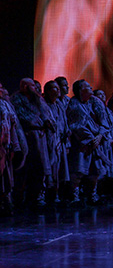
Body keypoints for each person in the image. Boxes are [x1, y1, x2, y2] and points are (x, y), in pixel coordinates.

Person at [11, 78, 54, 206]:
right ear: (24, 87)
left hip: (40, 138)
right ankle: (20, 198)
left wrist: (46, 122)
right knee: (24, 170)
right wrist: (35, 122)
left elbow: (46, 113)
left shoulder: (38, 99)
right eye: (32, 86)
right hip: (27, 137)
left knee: (39, 168)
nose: (34, 88)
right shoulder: (17, 99)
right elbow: (21, 116)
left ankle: (36, 197)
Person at [67, 80, 111, 204]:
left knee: (95, 171)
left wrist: (100, 135)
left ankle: (93, 195)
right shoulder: (74, 104)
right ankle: (74, 197)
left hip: (97, 141)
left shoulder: (96, 102)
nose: (91, 87)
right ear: (81, 90)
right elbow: (76, 124)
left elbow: (104, 121)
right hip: (82, 142)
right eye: (87, 86)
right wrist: (91, 139)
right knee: (78, 170)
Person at [42, 81, 70, 204]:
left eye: (58, 88)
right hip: (48, 140)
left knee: (59, 169)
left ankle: (56, 195)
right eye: (54, 88)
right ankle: (43, 195)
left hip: (60, 141)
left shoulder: (59, 105)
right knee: (48, 167)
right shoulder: (44, 105)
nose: (58, 90)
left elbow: (64, 122)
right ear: (48, 91)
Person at [0, 82, 24, 215]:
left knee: (6, 175)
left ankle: (6, 201)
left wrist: (14, 145)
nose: (2, 90)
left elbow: (12, 125)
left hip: (5, 144)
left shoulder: (6, 104)